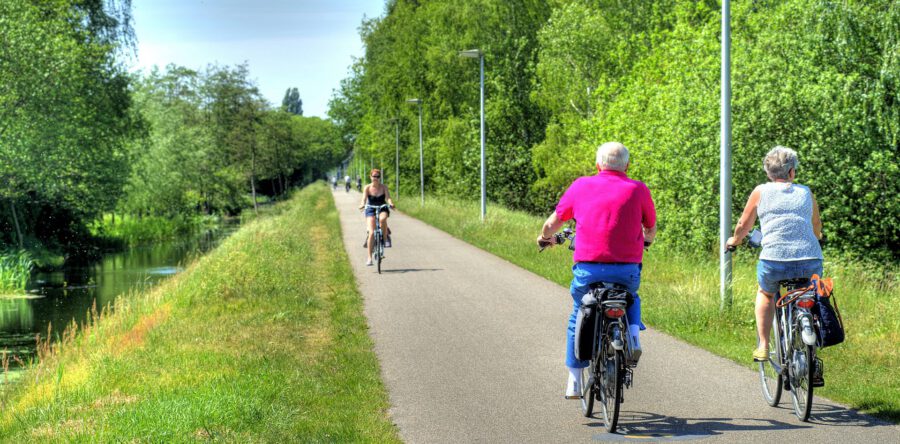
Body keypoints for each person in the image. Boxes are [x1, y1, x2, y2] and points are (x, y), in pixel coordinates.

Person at [537, 142, 656, 399]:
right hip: (626, 270)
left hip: (588, 270)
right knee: (630, 296)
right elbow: (651, 226)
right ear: (627, 165)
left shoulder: (581, 185)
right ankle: (633, 336)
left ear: (598, 165)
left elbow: (552, 223)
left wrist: (545, 236)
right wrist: (647, 241)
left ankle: (574, 380)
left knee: (579, 311)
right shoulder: (639, 189)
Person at [726, 146, 823, 363]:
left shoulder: (761, 191)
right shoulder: (806, 192)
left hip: (774, 260)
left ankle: (763, 345)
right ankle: (812, 356)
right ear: (791, 172)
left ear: (769, 173)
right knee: (810, 294)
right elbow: (816, 225)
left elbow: (743, 224)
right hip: (809, 259)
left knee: (766, 293)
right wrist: (817, 236)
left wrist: (735, 240)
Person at [359, 169, 395, 266]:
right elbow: (363, 199)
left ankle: (385, 237)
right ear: (370, 177)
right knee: (371, 232)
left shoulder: (384, 187)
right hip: (370, 208)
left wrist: (391, 203)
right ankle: (369, 258)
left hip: (382, 207)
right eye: (374, 176)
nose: (376, 178)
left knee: (382, 219)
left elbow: (388, 197)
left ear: (380, 178)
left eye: (378, 176)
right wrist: (362, 205)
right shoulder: (367, 188)